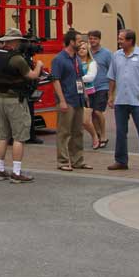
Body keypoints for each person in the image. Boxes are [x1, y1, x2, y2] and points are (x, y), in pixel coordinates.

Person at [0, 28, 43, 183]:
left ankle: (0, 170)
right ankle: (16, 172)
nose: (21, 44)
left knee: (2, 136)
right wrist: (39, 65)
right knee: (19, 137)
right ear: (14, 42)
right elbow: (31, 75)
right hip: (15, 100)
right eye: (19, 41)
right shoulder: (17, 59)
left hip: (0, 99)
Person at [107, 29, 139, 173]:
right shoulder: (116, 56)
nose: (119, 41)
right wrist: (110, 95)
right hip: (121, 100)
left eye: (121, 39)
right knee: (121, 132)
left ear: (130, 41)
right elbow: (112, 76)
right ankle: (121, 160)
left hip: (138, 101)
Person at [51, 29, 92, 171]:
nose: (81, 43)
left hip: (78, 98)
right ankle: (62, 161)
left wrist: (85, 93)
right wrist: (61, 100)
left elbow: (79, 77)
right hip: (67, 99)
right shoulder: (59, 59)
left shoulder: (76, 58)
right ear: (71, 42)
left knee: (78, 131)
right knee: (64, 132)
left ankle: (77, 160)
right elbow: (55, 80)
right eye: (79, 40)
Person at [87, 30, 112, 149]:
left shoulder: (106, 53)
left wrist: (111, 91)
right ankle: (96, 135)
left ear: (99, 40)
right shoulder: (87, 53)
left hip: (103, 86)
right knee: (92, 113)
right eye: (91, 39)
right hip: (90, 87)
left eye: (95, 39)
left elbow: (112, 70)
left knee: (98, 111)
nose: (92, 41)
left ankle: (103, 135)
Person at [77, 39, 100, 149]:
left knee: (86, 121)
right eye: (79, 48)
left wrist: (76, 78)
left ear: (88, 50)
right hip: (76, 93)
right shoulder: (74, 62)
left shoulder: (92, 63)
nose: (81, 50)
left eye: (84, 48)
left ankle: (95, 135)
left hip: (89, 94)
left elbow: (91, 77)